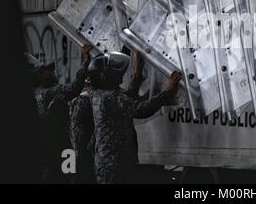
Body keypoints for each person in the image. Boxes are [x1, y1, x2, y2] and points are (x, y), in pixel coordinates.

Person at [83, 51, 181, 184]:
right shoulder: (110, 97)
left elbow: (127, 98)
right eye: (114, 72)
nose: (120, 74)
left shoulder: (99, 93)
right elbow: (142, 110)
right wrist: (168, 91)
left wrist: (137, 75)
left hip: (109, 162)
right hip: (116, 164)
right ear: (105, 77)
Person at [27, 44, 92, 183]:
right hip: (61, 143)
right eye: (47, 71)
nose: (52, 72)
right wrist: (86, 62)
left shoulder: (35, 93)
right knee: (68, 175)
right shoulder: (53, 90)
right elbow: (74, 88)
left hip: (49, 146)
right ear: (39, 76)